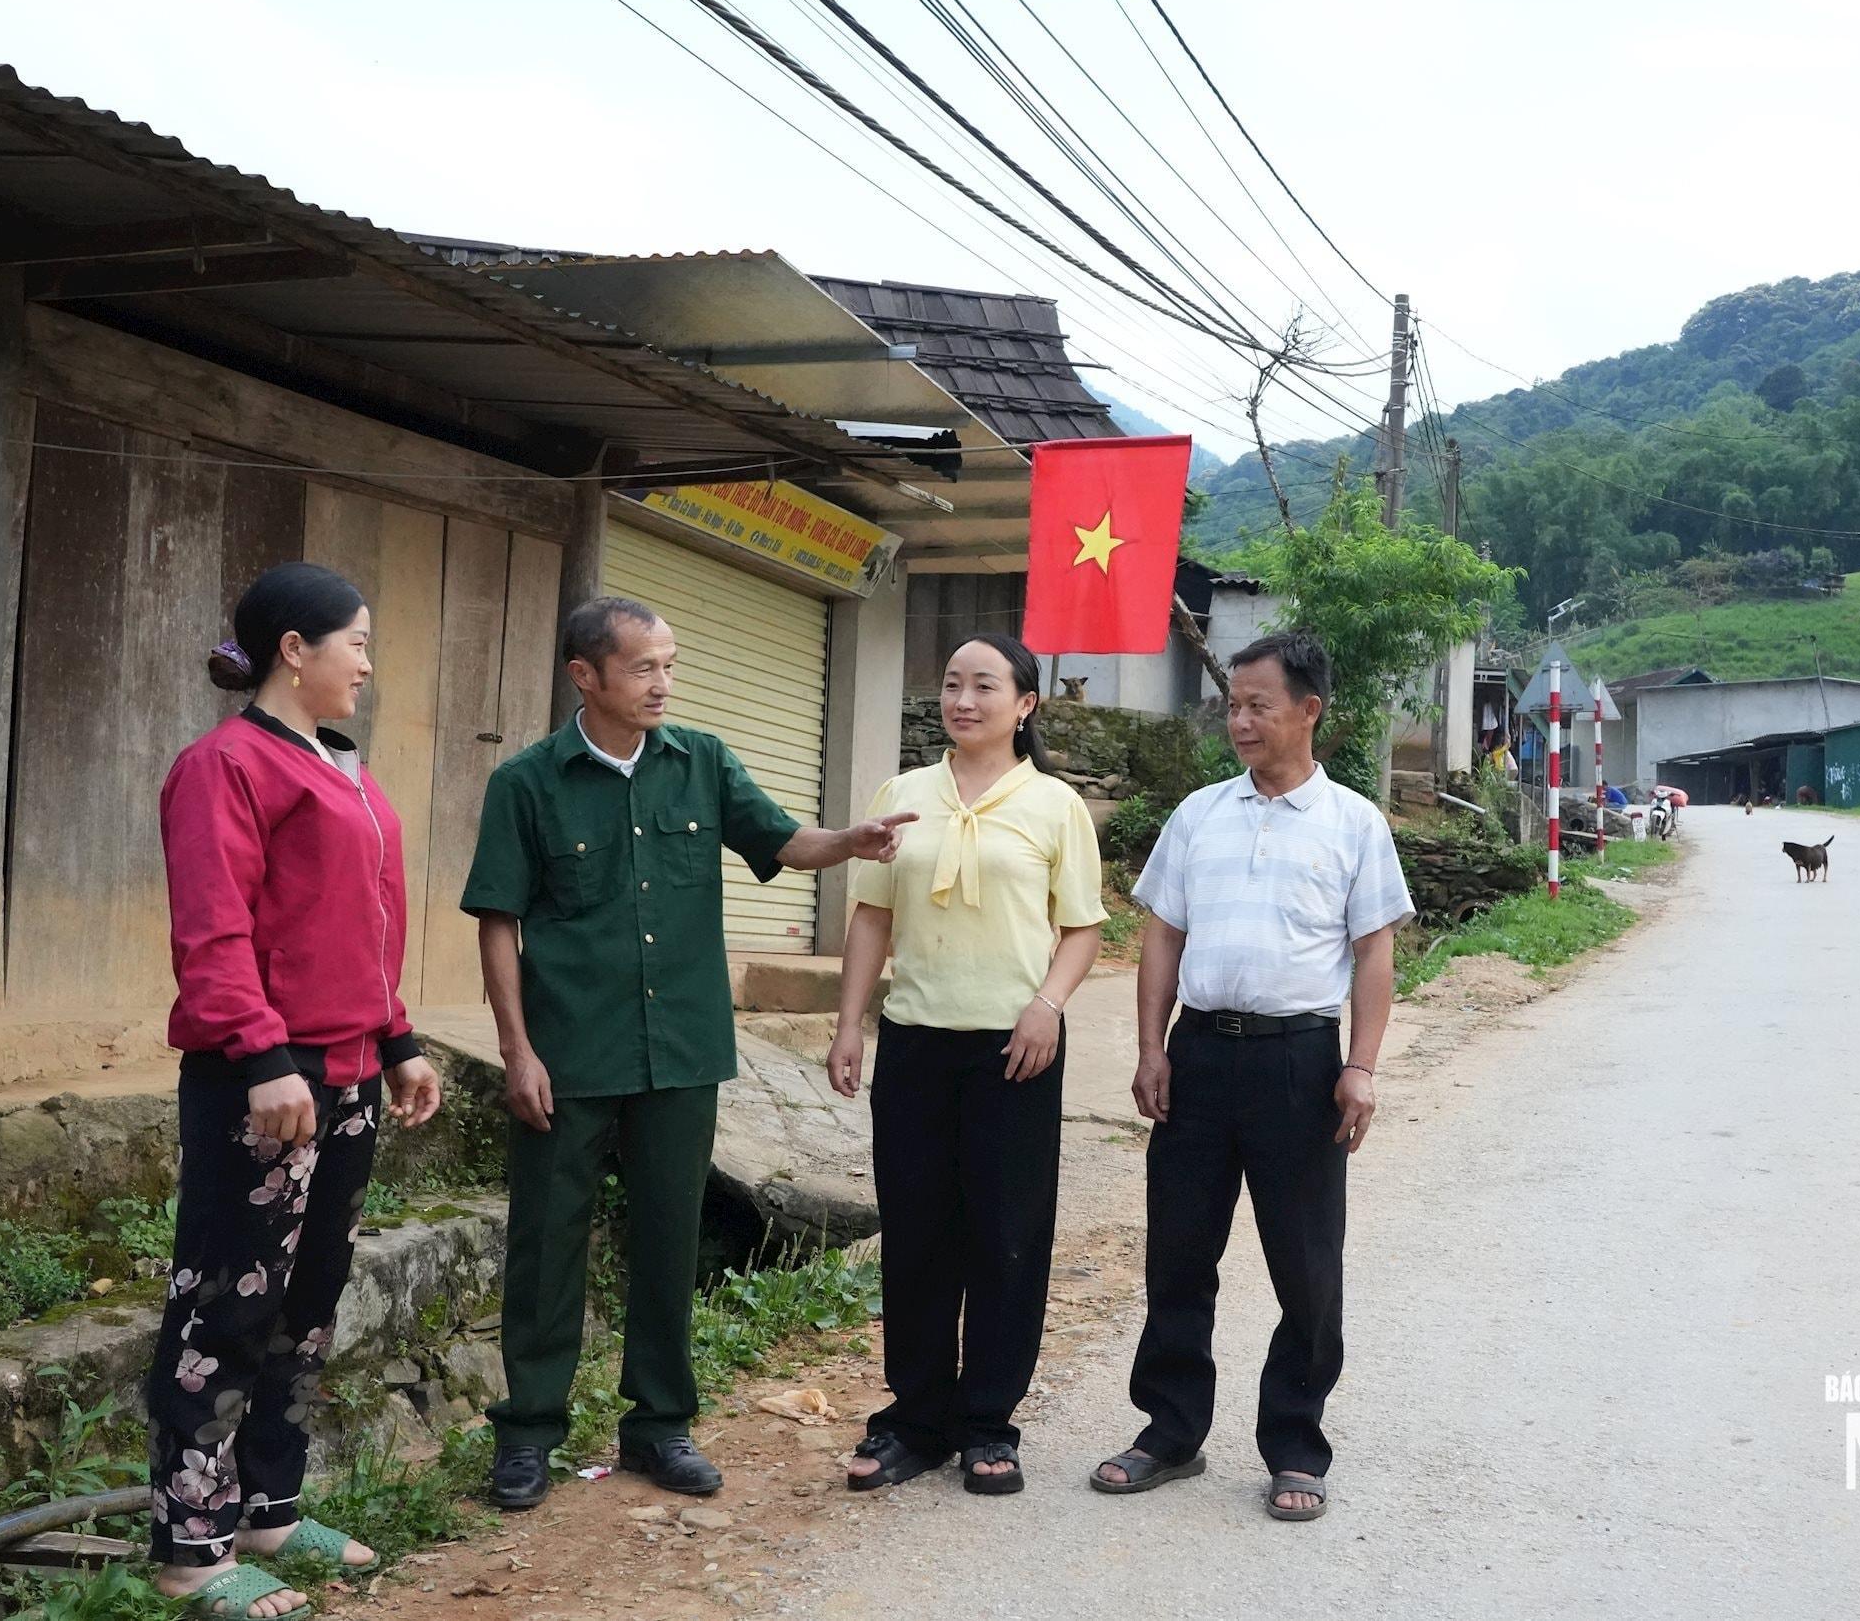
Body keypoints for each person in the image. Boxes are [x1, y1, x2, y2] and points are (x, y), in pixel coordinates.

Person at [460, 597, 912, 1513]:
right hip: (569, 1053)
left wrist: (852, 843)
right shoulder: (527, 784)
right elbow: (500, 922)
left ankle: (660, 1426)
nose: (663, 682)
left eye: (670, 664)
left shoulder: (702, 761)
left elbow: (782, 841)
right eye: (643, 667)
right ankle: (529, 1433)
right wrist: (517, 1050)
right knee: (547, 1245)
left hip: (681, 1050)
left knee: (670, 1241)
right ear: (585, 676)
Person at [149, 562, 444, 1621]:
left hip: (353, 1071)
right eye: (355, 641)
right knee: (224, 1308)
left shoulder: (346, 770)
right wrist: (264, 1055)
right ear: (294, 649)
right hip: (264, 1075)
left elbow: (360, 929)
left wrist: (398, 1036)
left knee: (304, 1306)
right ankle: (190, 1548)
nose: (366, 662)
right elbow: (214, 929)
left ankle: (269, 1506)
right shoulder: (224, 765)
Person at [1090, 632, 1414, 1523]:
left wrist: (1361, 1066)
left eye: (1257, 705)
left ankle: (1295, 1446)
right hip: (1199, 1056)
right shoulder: (1200, 814)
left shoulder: (1353, 822)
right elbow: (1162, 932)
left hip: (1300, 1063)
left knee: (1305, 1265)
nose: (1239, 720)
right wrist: (1151, 1045)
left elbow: (1374, 950)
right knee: (1180, 1254)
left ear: (1309, 711)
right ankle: (1169, 1431)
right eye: (1232, 704)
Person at [826, 634, 1106, 1496]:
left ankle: (988, 1422)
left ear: (1025, 704)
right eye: (952, 684)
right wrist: (849, 1023)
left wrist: (1047, 1006)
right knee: (916, 1234)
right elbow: (871, 916)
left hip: (1015, 1051)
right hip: (915, 1040)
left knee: (1006, 1237)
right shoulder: (903, 795)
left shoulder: (1056, 805)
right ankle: (915, 1419)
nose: (963, 700)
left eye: (985, 686)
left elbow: (1083, 925)